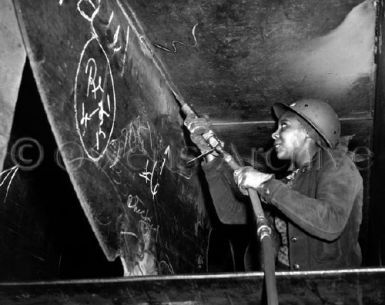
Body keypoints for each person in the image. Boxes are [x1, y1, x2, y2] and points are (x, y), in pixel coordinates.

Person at [185, 99, 363, 271]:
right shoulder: (288, 183)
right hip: (283, 287)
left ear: (309, 132)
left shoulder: (337, 164)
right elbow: (231, 213)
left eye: (284, 125)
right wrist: (210, 154)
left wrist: (265, 184)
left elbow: (330, 221)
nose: (274, 134)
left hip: (328, 293)